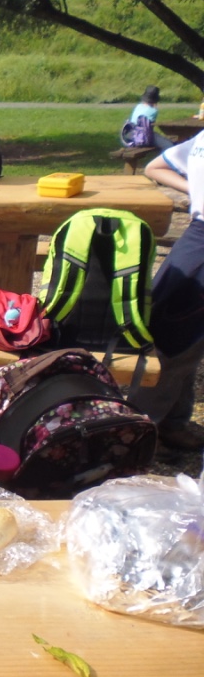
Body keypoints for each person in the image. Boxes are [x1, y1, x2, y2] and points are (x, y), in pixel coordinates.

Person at [126, 134, 204, 451]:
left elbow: (155, 167)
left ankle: (169, 424)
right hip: (199, 242)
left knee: (183, 340)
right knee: (173, 340)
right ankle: (141, 432)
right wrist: (197, 190)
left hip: (195, 241)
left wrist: (197, 191)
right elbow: (155, 167)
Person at [128, 85, 175, 151]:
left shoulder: (138, 106)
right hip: (144, 136)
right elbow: (150, 127)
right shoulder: (153, 111)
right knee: (168, 145)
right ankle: (164, 157)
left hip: (132, 134)